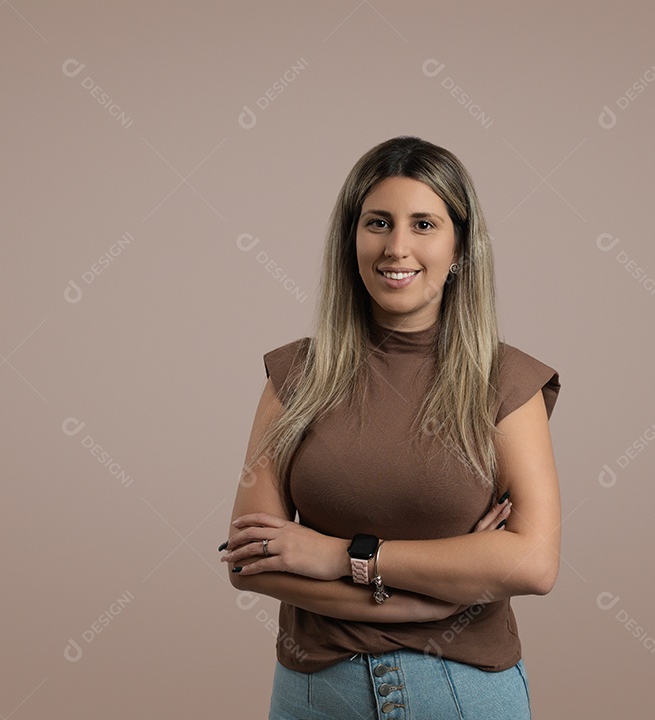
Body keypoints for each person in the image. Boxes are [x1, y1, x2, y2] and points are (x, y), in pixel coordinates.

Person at [220, 135, 561, 719]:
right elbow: (251, 561)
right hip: (316, 696)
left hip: (460, 693)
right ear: (351, 238)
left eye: (424, 224)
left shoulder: (506, 381)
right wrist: (431, 605)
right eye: (378, 222)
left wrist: (338, 557)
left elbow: (533, 563)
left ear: (459, 246)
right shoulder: (295, 375)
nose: (397, 247)